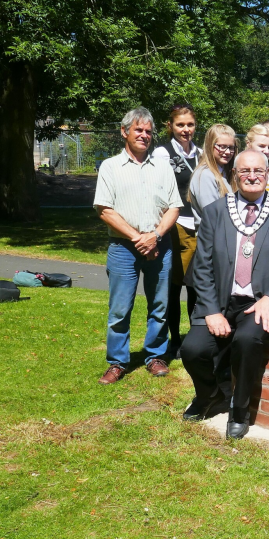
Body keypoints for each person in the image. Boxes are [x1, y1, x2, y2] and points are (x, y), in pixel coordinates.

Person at [181, 149, 269, 439]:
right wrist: (211, 310)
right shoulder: (215, 211)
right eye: (245, 171)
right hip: (221, 302)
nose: (252, 176)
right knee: (192, 350)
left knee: (247, 341)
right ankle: (209, 394)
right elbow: (202, 266)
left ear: (267, 174)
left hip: (260, 301)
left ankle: (240, 409)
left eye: (258, 171)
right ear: (235, 175)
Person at [93, 106, 183, 384]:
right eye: (138, 130)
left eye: (148, 131)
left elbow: (174, 207)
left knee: (160, 305)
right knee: (120, 309)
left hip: (160, 245)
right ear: (124, 132)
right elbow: (104, 209)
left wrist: (155, 236)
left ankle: (155, 356)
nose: (144, 135)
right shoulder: (110, 166)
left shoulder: (163, 166)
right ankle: (117, 362)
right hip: (123, 248)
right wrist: (139, 238)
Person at [152, 104, 202, 358]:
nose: (186, 130)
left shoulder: (201, 153)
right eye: (180, 124)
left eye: (190, 124)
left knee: (195, 286)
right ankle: (173, 339)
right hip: (174, 226)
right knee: (173, 286)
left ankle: (193, 339)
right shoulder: (162, 153)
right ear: (170, 126)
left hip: (198, 227)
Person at [188, 124, 238, 227]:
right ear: (210, 146)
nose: (227, 152)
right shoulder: (205, 175)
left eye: (231, 147)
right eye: (222, 147)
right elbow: (212, 215)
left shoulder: (226, 172)